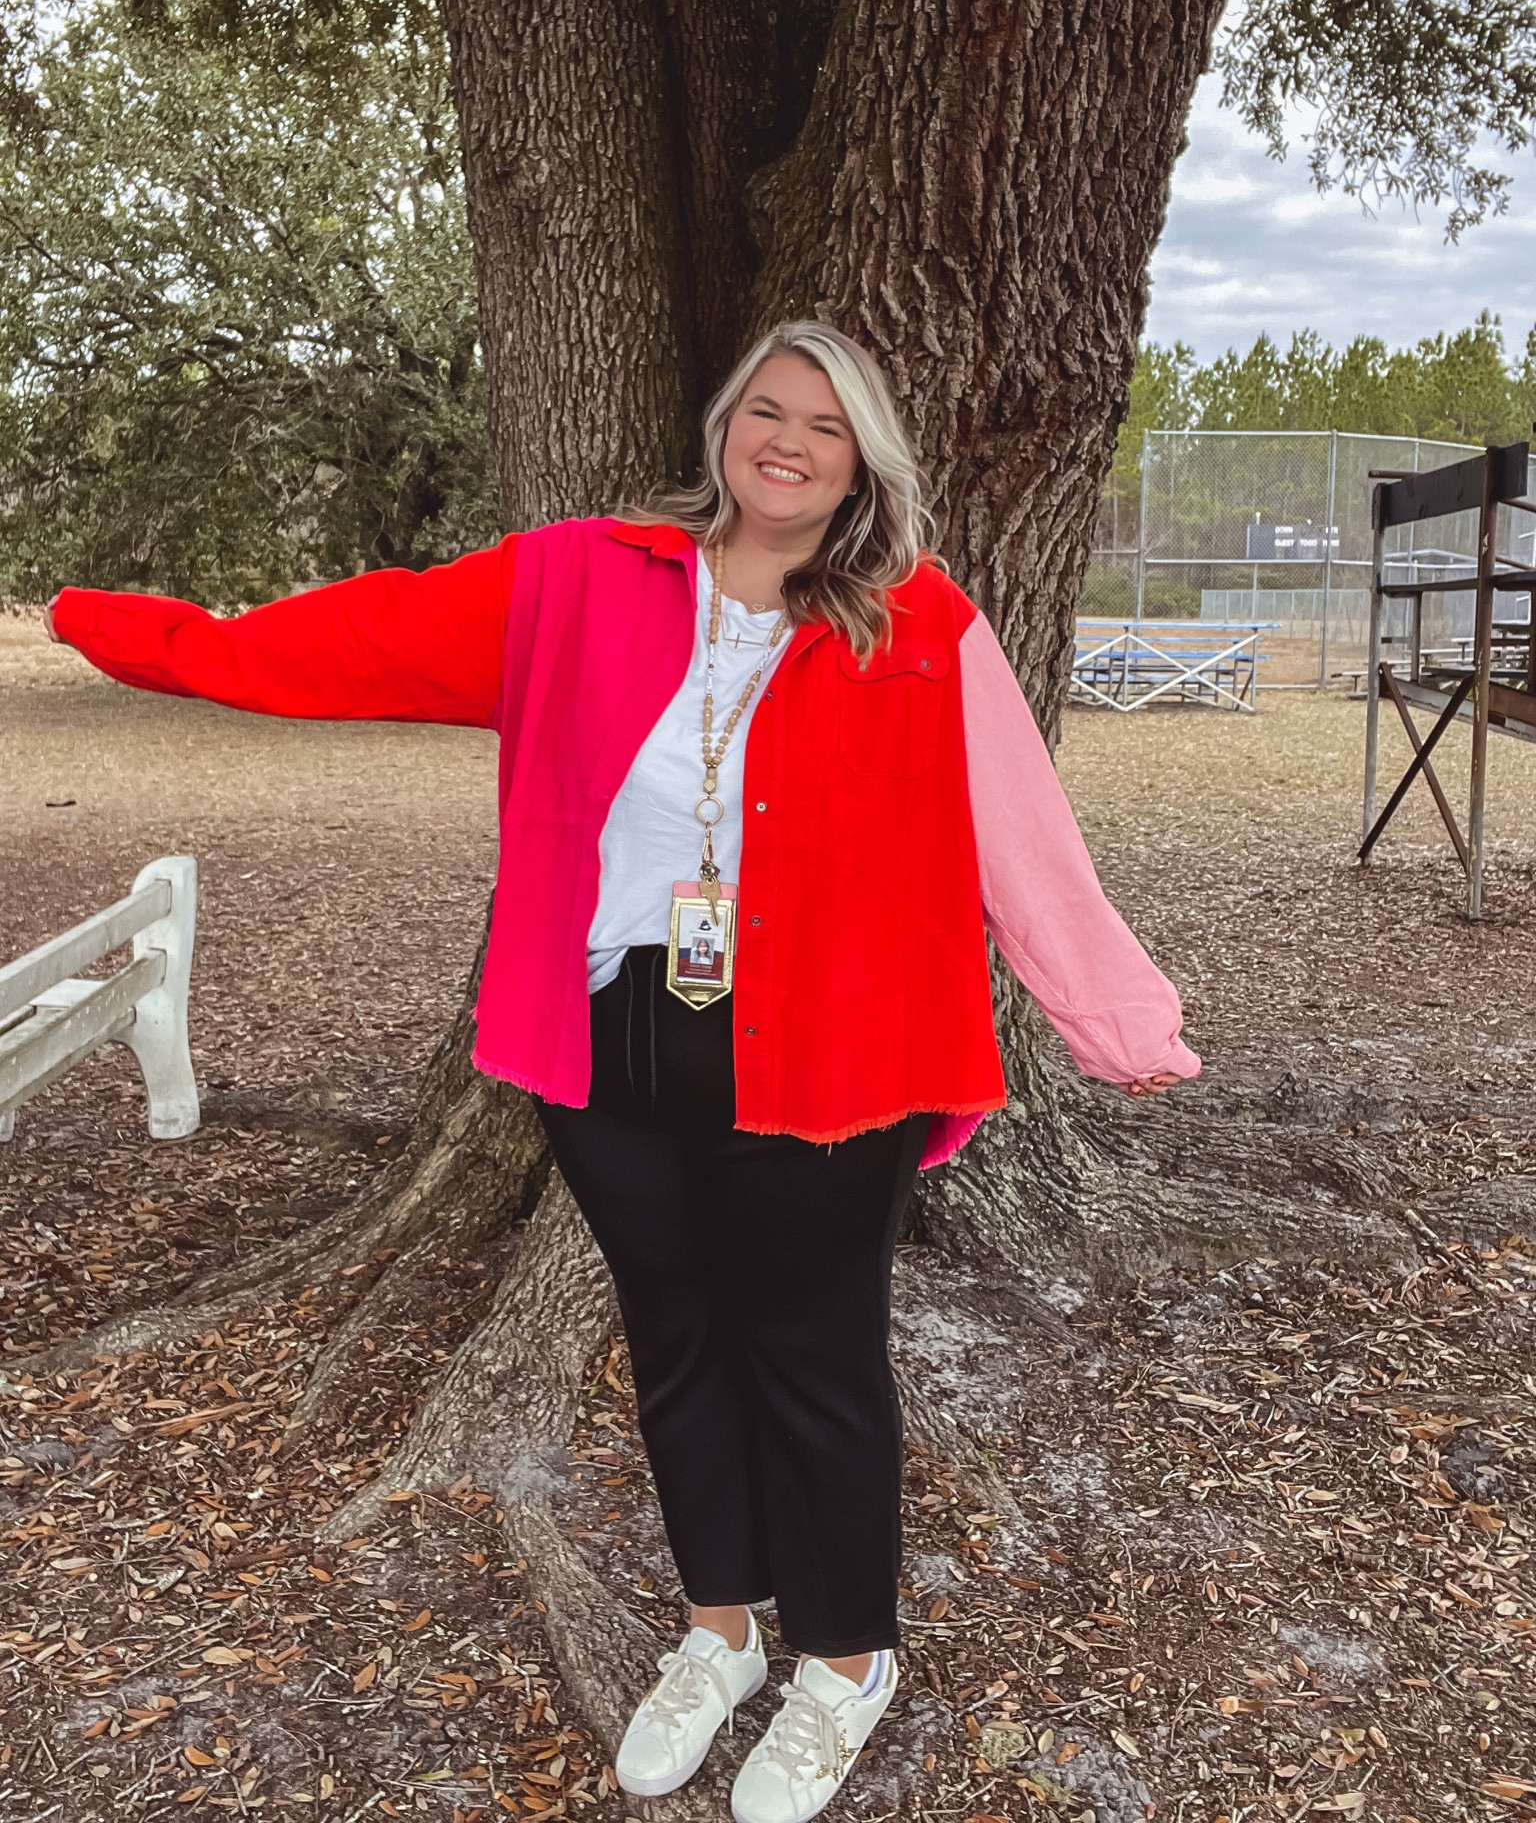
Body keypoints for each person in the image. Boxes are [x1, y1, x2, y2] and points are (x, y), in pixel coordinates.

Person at [46, 320, 1198, 1823]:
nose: (787, 440)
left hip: (837, 1055)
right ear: (724, 425)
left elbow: (1026, 842)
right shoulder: (580, 577)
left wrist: (1117, 1018)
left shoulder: (917, 623)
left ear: (863, 465)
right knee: (674, 1337)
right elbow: (344, 639)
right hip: (612, 1043)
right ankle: (719, 1633)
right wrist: (130, 629)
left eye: (826, 426)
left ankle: (845, 1665)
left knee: (817, 1361)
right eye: (764, 409)